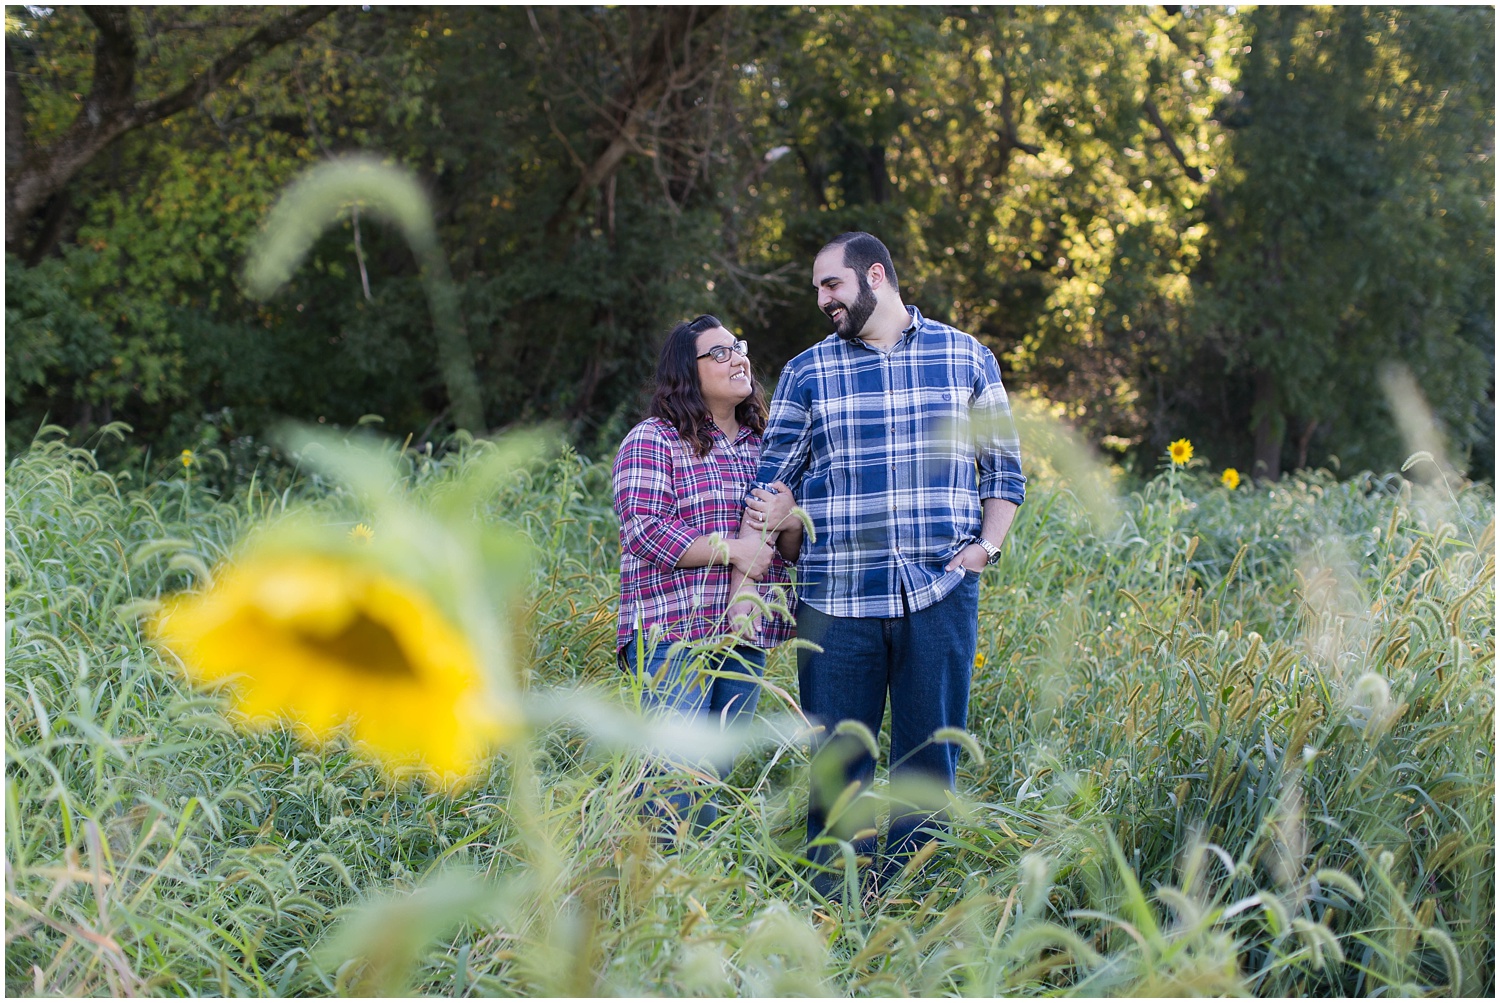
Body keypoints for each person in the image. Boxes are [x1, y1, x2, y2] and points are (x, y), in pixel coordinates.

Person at [733, 232, 1025, 893]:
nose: (821, 300)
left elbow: (1005, 471)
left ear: (875, 275)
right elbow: (774, 481)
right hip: (835, 601)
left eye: (830, 285)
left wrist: (986, 548)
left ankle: (913, 910)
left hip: (941, 593)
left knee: (929, 767)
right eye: (816, 289)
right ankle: (834, 917)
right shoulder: (810, 372)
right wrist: (768, 526)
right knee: (838, 766)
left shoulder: (967, 357)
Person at [613, 314, 802, 835]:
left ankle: (693, 896)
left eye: (739, 347)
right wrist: (733, 550)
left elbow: (783, 547)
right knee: (672, 780)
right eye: (719, 353)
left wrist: (786, 525)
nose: (738, 357)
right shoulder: (655, 439)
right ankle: (647, 894)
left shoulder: (764, 448)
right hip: (671, 636)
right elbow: (645, 531)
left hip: (743, 635)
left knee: (711, 776)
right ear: (685, 372)